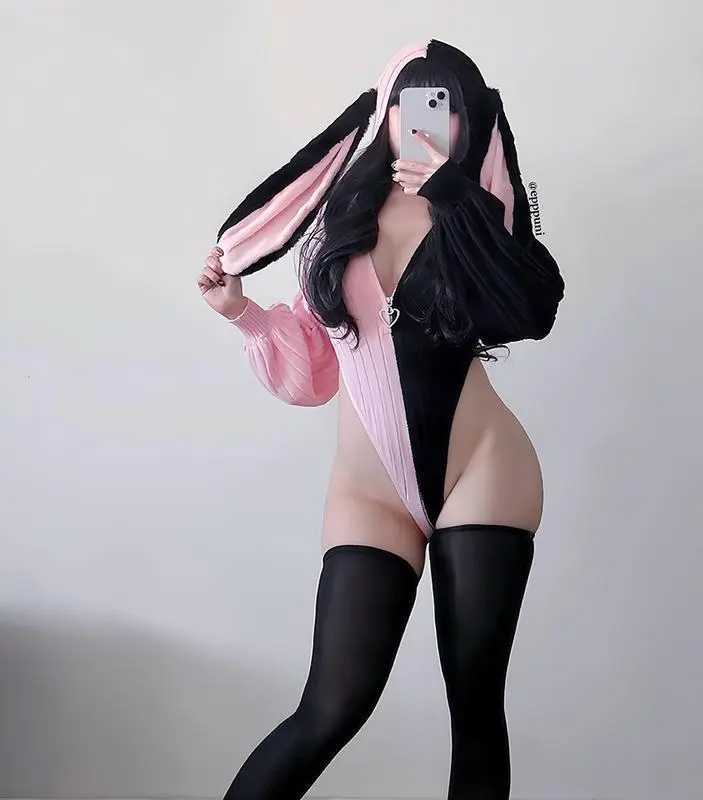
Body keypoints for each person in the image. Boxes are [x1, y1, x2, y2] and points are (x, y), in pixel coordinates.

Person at [197, 39, 564, 800]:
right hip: (368, 495)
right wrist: (242, 313)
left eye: (444, 105)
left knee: (475, 709)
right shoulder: (340, 216)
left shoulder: (480, 214)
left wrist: (457, 198)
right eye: (408, 102)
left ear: (467, 120)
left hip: (480, 471)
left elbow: (533, 311)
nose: (423, 121)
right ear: (384, 112)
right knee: (329, 709)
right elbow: (318, 363)